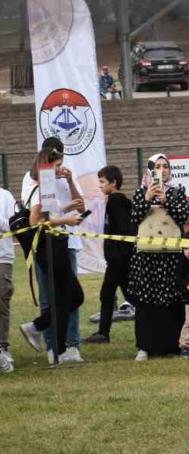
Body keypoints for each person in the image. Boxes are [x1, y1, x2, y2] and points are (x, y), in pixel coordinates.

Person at [18, 148, 86, 364]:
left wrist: (66, 208)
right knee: (70, 296)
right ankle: (46, 336)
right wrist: (66, 220)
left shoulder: (48, 188)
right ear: (47, 165)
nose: (60, 169)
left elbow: (49, 213)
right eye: (57, 165)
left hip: (56, 244)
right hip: (51, 246)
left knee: (69, 296)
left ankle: (44, 333)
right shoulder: (41, 188)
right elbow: (35, 221)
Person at [128, 154, 189, 360]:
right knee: (146, 301)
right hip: (146, 255)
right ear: (149, 170)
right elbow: (134, 218)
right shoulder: (140, 192)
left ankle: (171, 346)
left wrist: (168, 200)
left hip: (171, 255)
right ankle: (144, 347)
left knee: (172, 300)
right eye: (157, 166)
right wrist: (147, 199)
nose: (162, 170)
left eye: (166, 166)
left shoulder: (177, 192)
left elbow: (183, 217)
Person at [84, 165, 135, 344]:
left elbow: (123, 230)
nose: (99, 185)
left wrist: (118, 256)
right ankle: (103, 333)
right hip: (117, 259)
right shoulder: (112, 201)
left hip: (118, 260)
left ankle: (103, 333)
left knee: (109, 294)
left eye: (102, 181)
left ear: (113, 183)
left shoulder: (116, 202)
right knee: (127, 295)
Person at [0, 184, 13, 373]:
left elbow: (13, 224)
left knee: (1, 299)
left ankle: (2, 347)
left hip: (2, 256)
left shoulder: (5, 196)